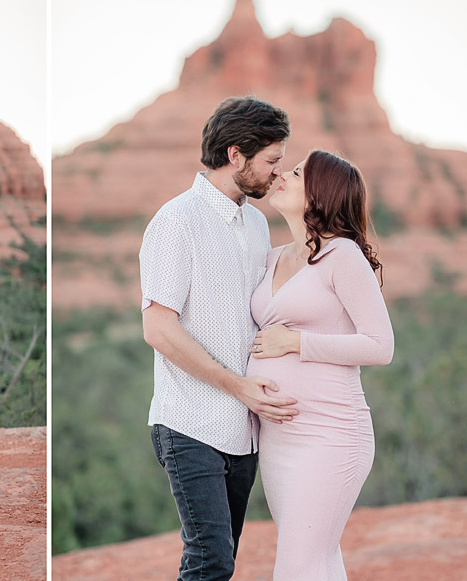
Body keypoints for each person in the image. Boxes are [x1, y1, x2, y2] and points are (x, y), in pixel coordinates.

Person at [140, 96, 300, 581]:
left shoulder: (255, 222)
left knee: (220, 561)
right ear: (236, 155)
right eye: (271, 161)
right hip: (188, 421)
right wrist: (238, 386)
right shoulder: (175, 221)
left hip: (245, 430)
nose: (277, 174)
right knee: (210, 560)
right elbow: (158, 329)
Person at [247, 149, 393, 580]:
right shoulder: (272, 257)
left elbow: (380, 346)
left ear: (320, 194)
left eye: (296, 173)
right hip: (280, 438)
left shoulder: (342, 255)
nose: (282, 176)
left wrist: (295, 342)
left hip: (330, 434)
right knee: (319, 562)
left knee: (297, 565)